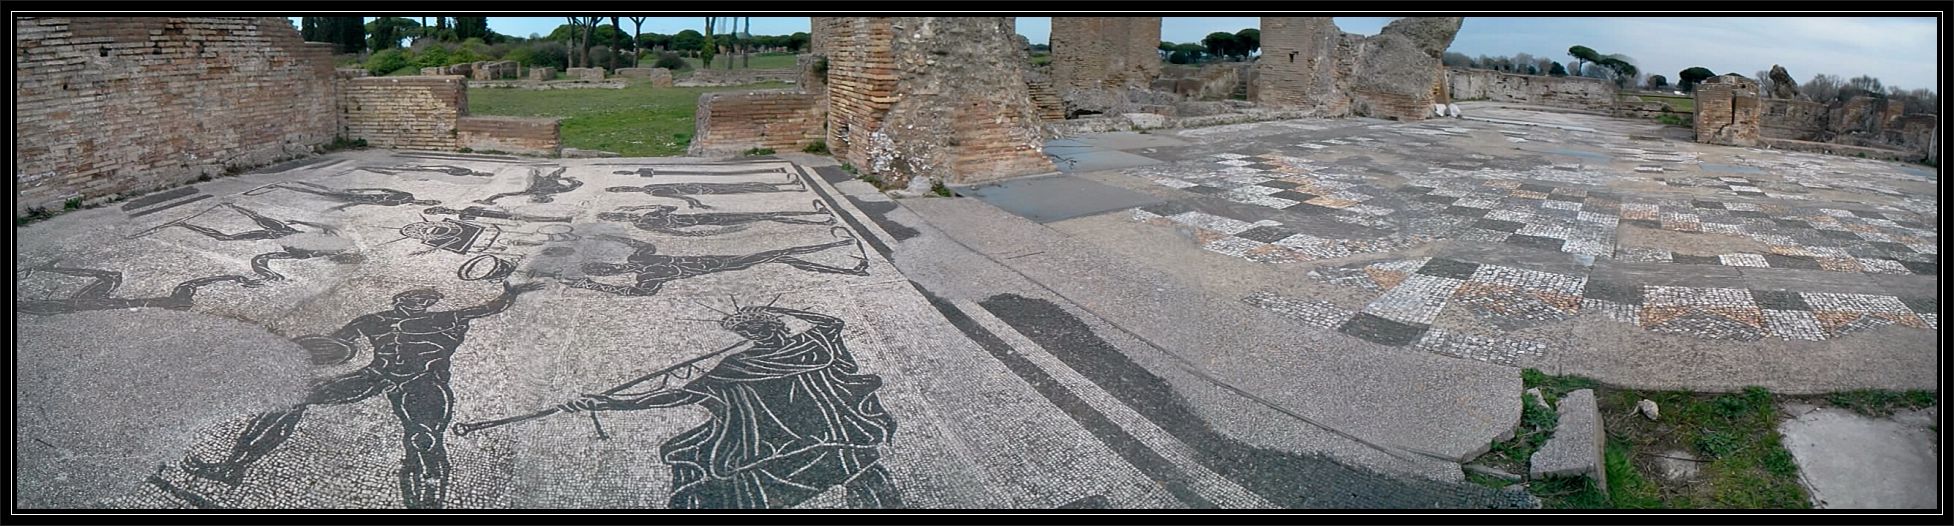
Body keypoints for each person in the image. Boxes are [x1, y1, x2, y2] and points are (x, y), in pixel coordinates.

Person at [183, 281, 545, 509]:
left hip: (422, 381)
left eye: (426, 299)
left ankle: (429, 502)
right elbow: (336, 343)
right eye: (415, 297)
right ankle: (231, 467)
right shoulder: (374, 319)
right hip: (377, 375)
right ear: (400, 298)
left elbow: (489, 308)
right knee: (293, 399)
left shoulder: (446, 319)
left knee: (423, 440)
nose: (421, 301)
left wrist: (509, 292)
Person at [557, 305, 902, 509]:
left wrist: (781, 309)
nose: (755, 332)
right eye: (749, 329)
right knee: (688, 456)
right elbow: (681, 394)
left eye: (757, 325)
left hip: (825, 436)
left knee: (873, 489)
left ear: (771, 325)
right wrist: (611, 403)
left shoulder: (806, 346)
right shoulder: (741, 365)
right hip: (784, 442)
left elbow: (832, 324)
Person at [557, 229, 866, 297]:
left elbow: (639, 242)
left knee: (786, 252)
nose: (612, 269)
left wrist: (605, 235)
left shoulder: (641, 259)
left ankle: (837, 245)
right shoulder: (645, 279)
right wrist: (591, 285)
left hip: (715, 258)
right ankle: (845, 265)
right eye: (607, 272)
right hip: (722, 266)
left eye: (604, 267)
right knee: (783, 256)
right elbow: (643, 294)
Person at [16, 266, 262, 316]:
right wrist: (235, 277)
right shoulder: (175, 300)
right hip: (91, 304)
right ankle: (44, 268)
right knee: (111, 277)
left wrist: (235, 277)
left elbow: (191, 285)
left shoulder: (176, 300)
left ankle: (44, 268)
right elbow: (192, 284)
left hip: (87, 304)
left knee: (110, 277)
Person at [595, 200, 834, 237]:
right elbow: (672, 232)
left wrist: (640, 205)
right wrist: (706, 233)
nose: (621, 213)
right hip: (708, 222)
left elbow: (668, 206)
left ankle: (815, 215)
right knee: (767, 217)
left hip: (707, 216)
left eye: (617, 211)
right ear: (619, 219)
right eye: (617, 215)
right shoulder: (643, 222)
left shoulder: (645, 215)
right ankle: (816, 220)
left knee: (765, 214)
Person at [602, 173, 805, 210]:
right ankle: (791, 187)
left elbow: (680, 187)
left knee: (740, 186)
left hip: (701, 187)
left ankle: (789, 186)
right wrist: (695, 203)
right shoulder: (652, 193)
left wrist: (692, 197)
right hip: (705, 191)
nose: (625, 187)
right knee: (743, 189)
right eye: (622, 189)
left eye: (622, 186)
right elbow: (679, 196)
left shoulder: (650, 189)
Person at [139, 203, 337, 240]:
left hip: (273, 234)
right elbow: (325, 227)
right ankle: (233, 207)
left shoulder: (307, 255)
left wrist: (265, 273)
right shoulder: (331, 242)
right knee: (256, 217)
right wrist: (299, 221)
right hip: (281, 230)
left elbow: (264, 259)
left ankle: (183, 225)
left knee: (227, 238)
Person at [262, 181, 440, 211]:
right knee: (323, 189)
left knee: (321, 194)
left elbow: (371, 204)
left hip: (356, 200)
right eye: (430, 201)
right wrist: (361, 190)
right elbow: (383, 189)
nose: (425, 202)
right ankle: (300, 184)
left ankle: (291, 188)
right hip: (358, 195)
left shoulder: (397, 205)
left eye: (427, 203)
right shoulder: (407, 195)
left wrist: (342, 206)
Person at [475, 167, 583, 205]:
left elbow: (503, 194)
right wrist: (568, 179)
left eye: (536, 198)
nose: (536, 197)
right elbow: (577, 185)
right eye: (540, 198)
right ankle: (561, 168)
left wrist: (488, 200)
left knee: (555, 173)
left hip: (543, 179)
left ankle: (559, 169)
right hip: (549, 179)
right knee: (557, 173)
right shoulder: (558, 190)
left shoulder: (531, 192)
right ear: (547, 197)